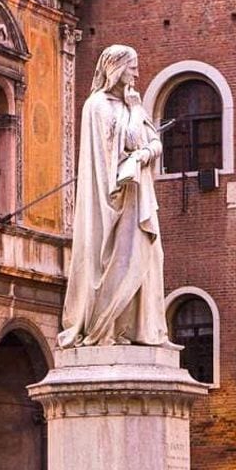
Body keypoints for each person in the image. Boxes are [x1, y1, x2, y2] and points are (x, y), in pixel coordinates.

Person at [57, 44, 171, 347]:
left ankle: (143, 331)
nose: (136, 71)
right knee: (122, 262)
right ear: (116, 68)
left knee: (151, 258)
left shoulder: (128, 104)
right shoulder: (98, 105)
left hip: (138, 193)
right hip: (117, 200)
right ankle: (107, 327)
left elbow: (152, 143)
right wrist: (137, 120)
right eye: (131, 66)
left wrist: (144, 152)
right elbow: (132, 141)